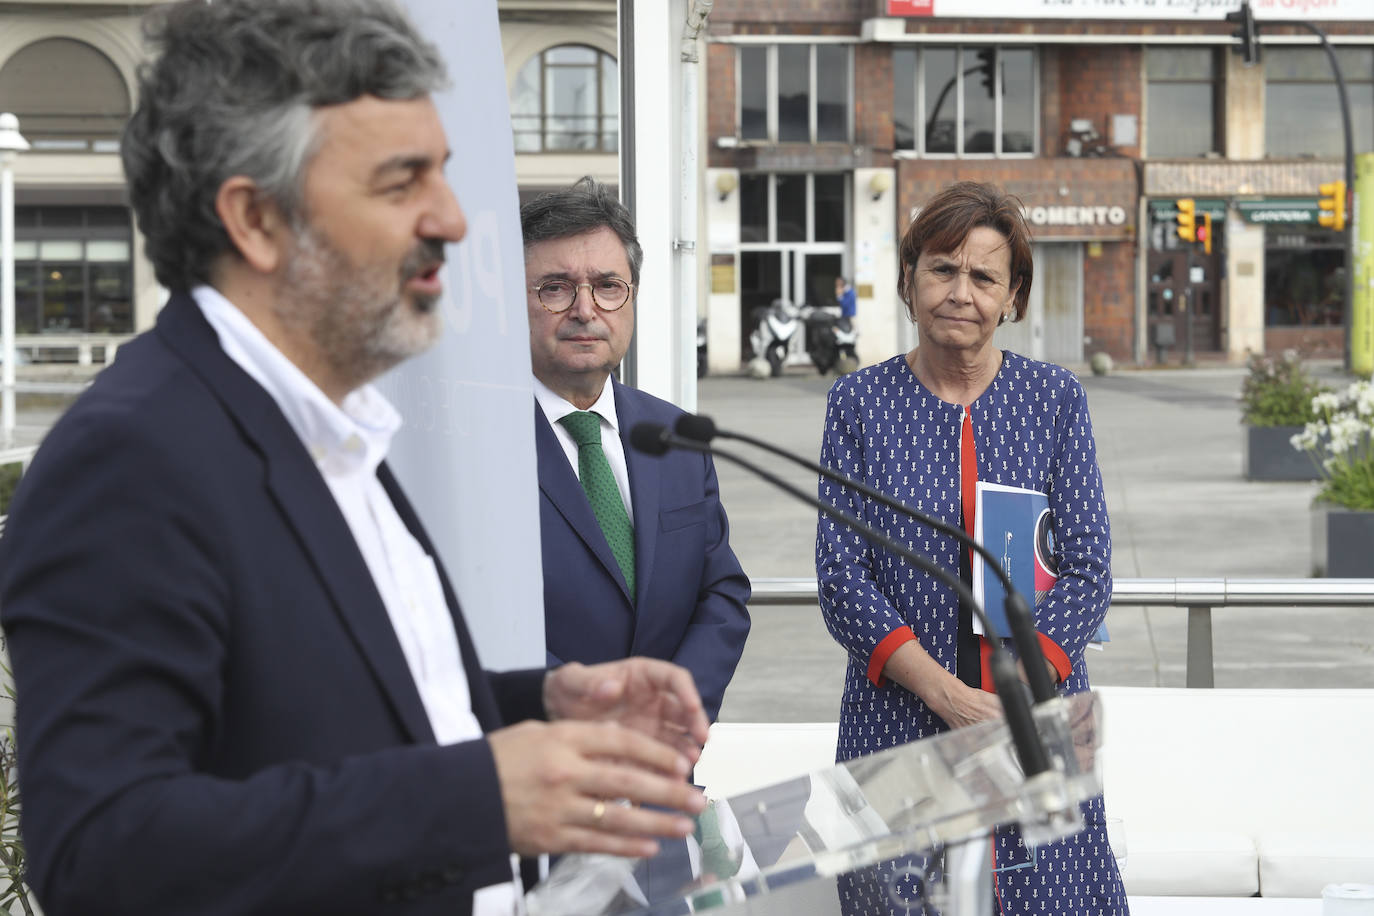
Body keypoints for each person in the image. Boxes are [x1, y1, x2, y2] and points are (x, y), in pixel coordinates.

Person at [0, 3, 710, 915]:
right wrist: (475, 798)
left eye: (445, 176)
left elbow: (333, 707)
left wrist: (544, 703)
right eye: (400, 181)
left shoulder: (327, 429)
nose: (454, 221)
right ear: (256, 219)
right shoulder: (129, 461)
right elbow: (104, 851)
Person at [814, 181, 1125, 915]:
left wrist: (1021, 695)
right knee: (900, 899)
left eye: (983, 276)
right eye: (941, 269)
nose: (960, 292)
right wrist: (948, 696)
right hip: (898, 713)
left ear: (1011, 296)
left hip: (1036, 717)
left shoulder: (1054, 398)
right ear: (908, 280)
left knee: (1049, 897)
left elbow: (1087, 566)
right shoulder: (858, 403)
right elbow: (841, 577)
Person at [522, 177, 751, 723]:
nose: (585, 309)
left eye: (608, 286)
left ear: (632, 299)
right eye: (554, 287)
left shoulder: (673, 435)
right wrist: (603, 718)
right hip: (542, 765)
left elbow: (720, 591)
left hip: (662, 765)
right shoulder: (477, 444)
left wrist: (675, 715)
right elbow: (468, 619)